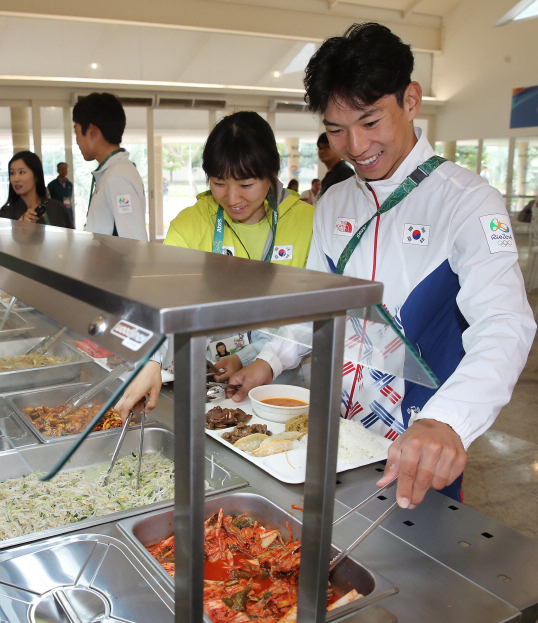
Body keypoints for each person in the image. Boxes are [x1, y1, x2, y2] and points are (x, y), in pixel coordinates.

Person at [224, 22, 536, 508]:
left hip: (416, 438)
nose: (354, 146)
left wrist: (448, 421)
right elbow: (316, 304)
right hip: (330, 429)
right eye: (335, 129)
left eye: (370, 122)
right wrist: (270, 361)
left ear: (410, 99)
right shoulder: (335, 201)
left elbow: (505, 323)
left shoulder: (469, 202)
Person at [114, 111, 315, 419]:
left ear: (272, 172)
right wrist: (151, 361)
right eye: (219, 183)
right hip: (211, 386)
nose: (232, 198)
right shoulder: (191, 224)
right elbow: (163, 301)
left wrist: (263, 361)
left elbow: (316, 313)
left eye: (246, 184)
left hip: (282, 390)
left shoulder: (307, 223)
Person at [73, 92, 147, 240]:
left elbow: (133, 242)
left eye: (77, 132)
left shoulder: (118, 177)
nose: (76, 141)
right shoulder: (112, 172)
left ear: (92, 131)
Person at [0, 151, 73, 228]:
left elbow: (71, 238)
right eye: (12, 173)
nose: (16, 179)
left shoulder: (58, 208)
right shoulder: (5, 215)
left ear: (36, 175)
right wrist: (19, 227)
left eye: (21, 172)